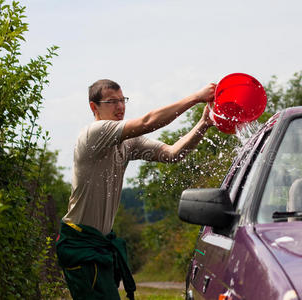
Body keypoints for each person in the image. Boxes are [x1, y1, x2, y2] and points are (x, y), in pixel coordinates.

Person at [56, 79, 216, 300]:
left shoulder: (128, 143)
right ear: (94, 107)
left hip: (101, 244)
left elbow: (172, 154)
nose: (120, 106)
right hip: (81, 246)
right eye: (112, 101)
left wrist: (204, 124)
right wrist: (196, 97)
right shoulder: (94, 133)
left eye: (122, 100)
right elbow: (147, 121)